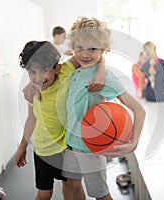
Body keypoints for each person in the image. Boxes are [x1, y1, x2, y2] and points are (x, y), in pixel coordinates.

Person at [63, 16, 146, 200]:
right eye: (80, 47)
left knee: (100, 194)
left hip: (90, 147)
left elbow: (139, 110)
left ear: (103, 48)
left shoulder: (105, 78)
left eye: (93, 48)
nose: (85, 54)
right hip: (69, 143)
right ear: (73, 48)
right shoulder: (72, 71)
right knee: (72, 185)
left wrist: (134, 142)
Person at [15, 41, 105, 200]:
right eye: (32, 72)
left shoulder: (65, 73)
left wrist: (101, 71)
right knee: (44, 194)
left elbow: (93, 55)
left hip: (67, 149)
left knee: (72, 187)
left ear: (57, 68)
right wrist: (22, 147)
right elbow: (31, 118)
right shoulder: (32, 92)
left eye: (44, 70)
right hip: (43, 151)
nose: (38, 78)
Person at [140, 41, 164, 111]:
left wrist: (142, 95)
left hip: (148, 95)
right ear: (155, 48)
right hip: (160, 95)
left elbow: (142, 81)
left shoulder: (145, 65)